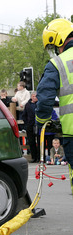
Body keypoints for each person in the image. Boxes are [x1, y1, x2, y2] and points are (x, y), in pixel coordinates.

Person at [36, 18, 73, 186]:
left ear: (59, 39)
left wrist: (42, 122)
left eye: (53, 46)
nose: (56, 50)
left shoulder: (57, 63)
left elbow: (44, 99)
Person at [22, 91, 39, 162]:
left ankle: (40, 157)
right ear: (31, 97)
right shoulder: (27, 105)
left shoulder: (39, 104)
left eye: (35, 96)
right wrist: (27, 123)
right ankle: (34, 157)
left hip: (38, 124)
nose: (34, 97)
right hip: (30, 125)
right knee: (31, 142)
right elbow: (24, 115)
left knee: (39, 141)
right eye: (33, 96)